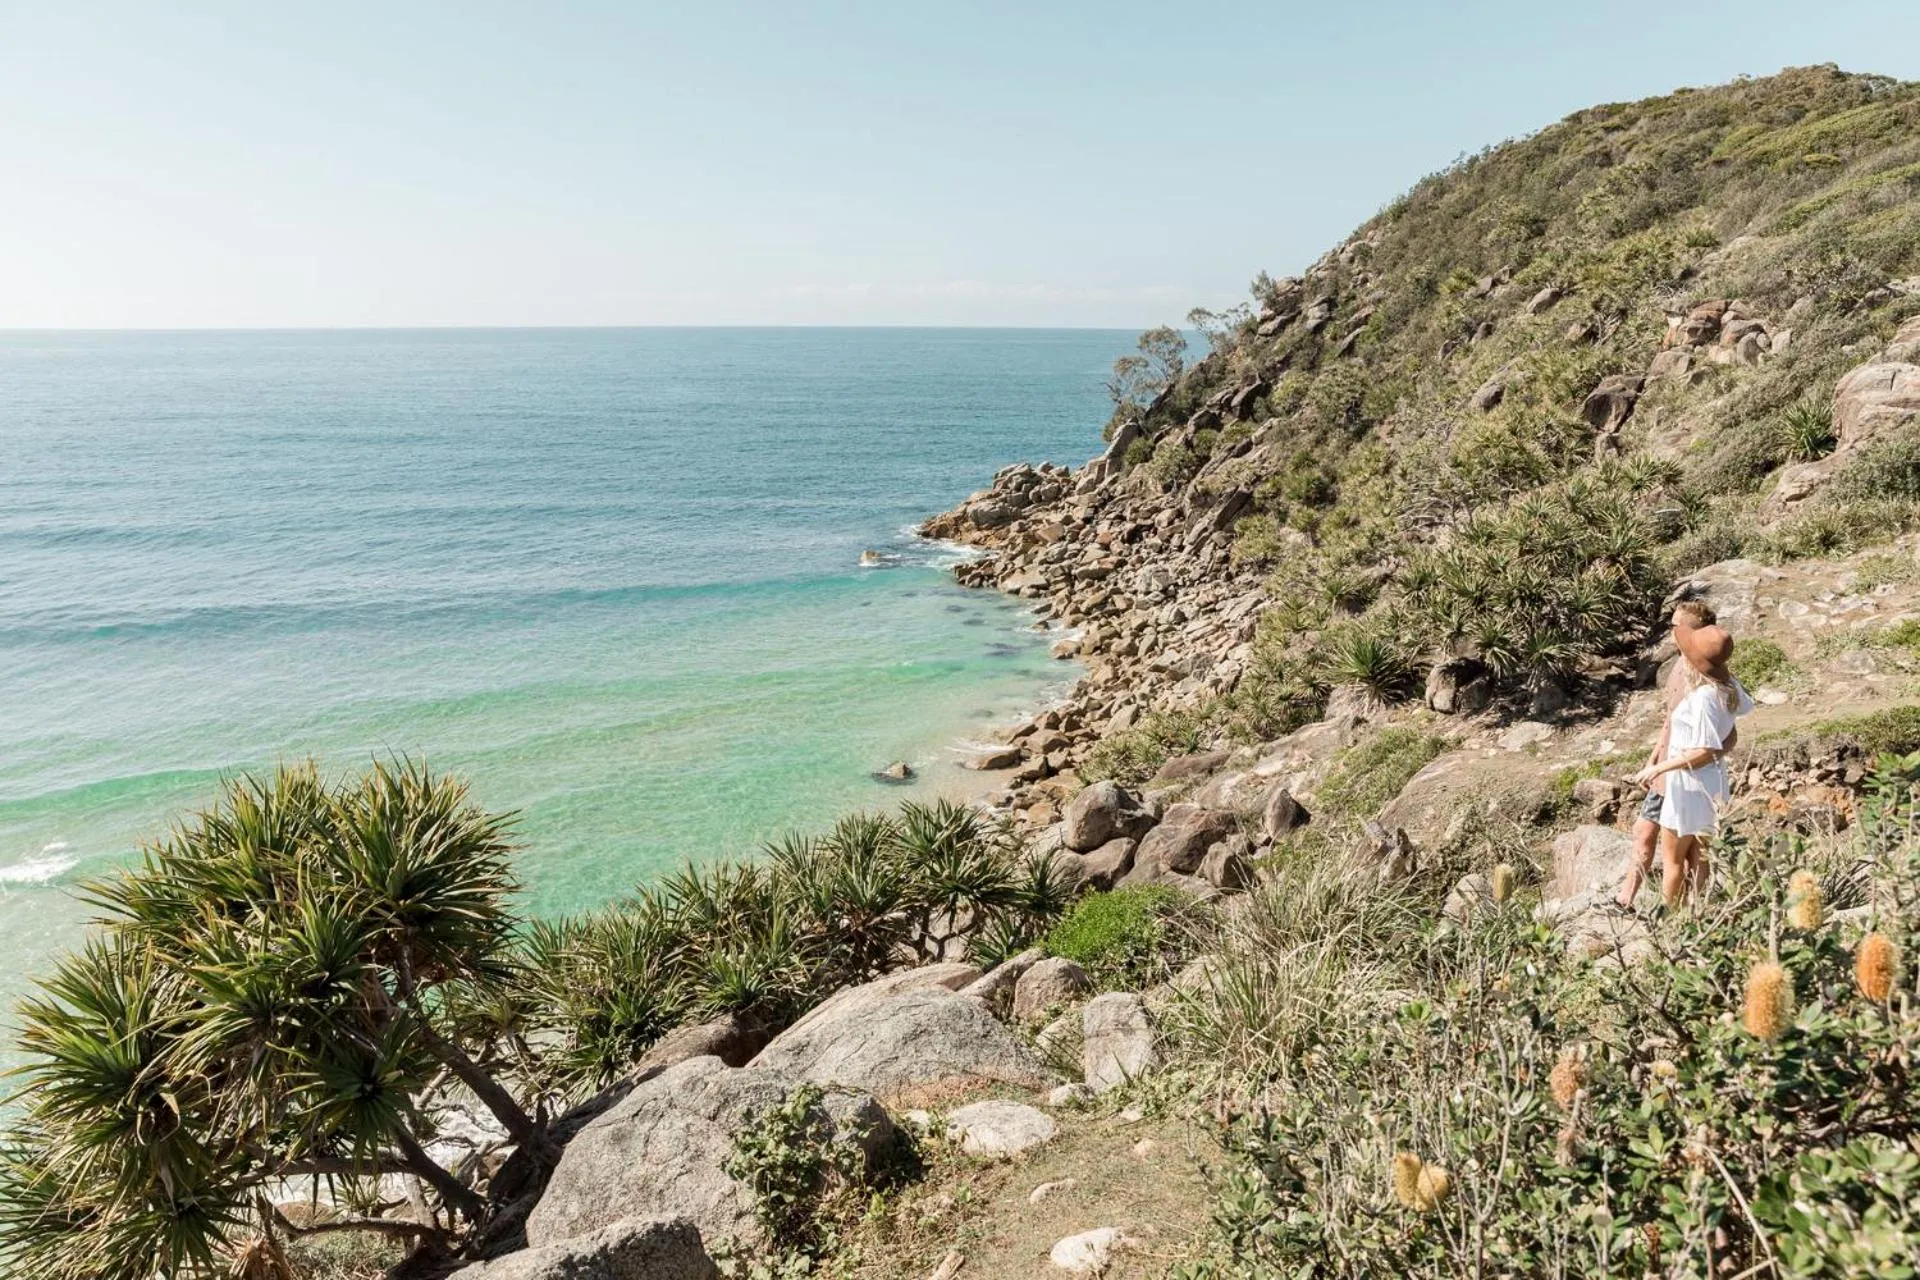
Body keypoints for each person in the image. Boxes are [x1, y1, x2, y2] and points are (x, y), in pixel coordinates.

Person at [1616, 601, 1733, 910]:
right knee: (1647, 833)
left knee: (1683, 854)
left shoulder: (1707, 676)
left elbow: (1726, 736)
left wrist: (1690, 758)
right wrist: (1655, 756)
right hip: (1669, 773)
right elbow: (1671, 718)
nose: (1671, 631)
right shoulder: (1681, 668)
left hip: (1682, 777)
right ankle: (1627, 899)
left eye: (1676, 626)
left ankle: (1680, 914)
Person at [1631, 625, 1754, 908]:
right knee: (1701, 857)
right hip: (1714, 781)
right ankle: (1698, 911)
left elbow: (1704, 748)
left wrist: (1659, 768)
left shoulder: (1702, 699)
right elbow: (1731, 730)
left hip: (1688, 785)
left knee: (1673, 860)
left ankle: (1670, 917)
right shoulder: (1729, 688)